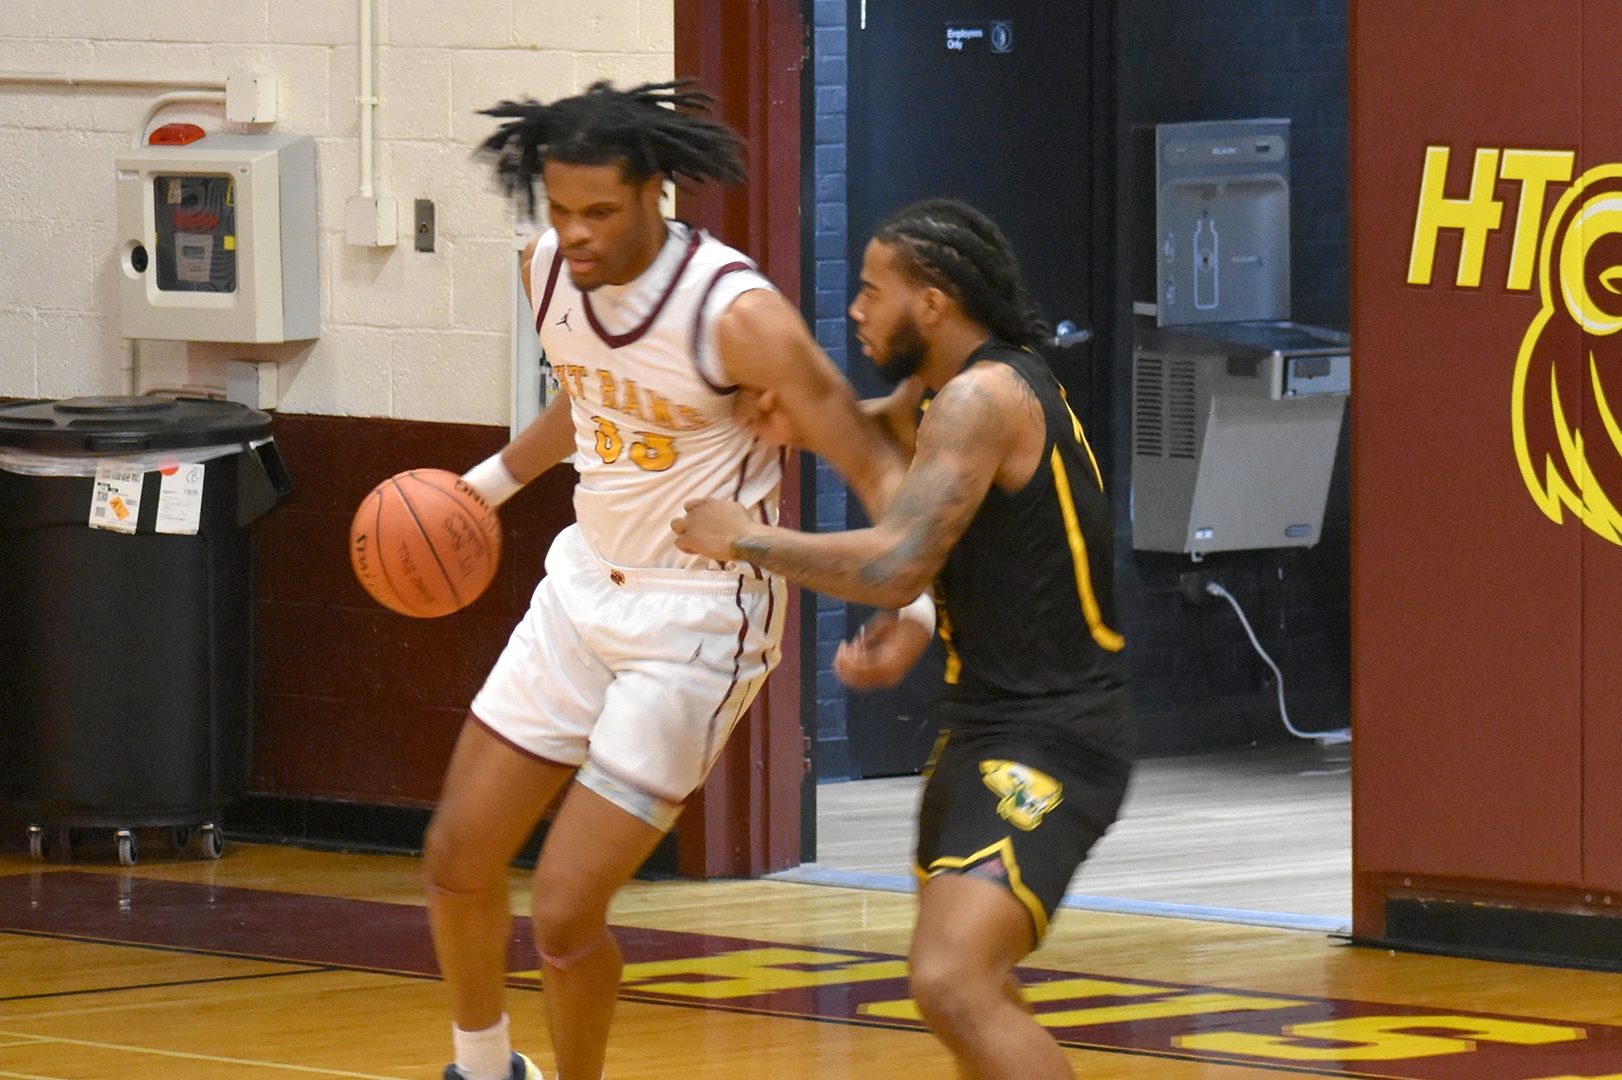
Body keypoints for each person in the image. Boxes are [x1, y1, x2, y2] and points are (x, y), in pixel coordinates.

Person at [422, 81, 904, 1080]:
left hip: (696, 621)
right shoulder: (547, 269)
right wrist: (487, 486)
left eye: (600, 211)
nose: (577, 233)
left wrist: (917, 596)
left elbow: (869, 460)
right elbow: (590, 397)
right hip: (579, 589)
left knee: (563, 913)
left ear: (656, 193)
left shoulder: (737, 315)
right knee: (457, 858)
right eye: (562, 208)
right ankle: (483, 1069)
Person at [672, 197, 1133, 1080]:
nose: (855, 309)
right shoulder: (953, 391)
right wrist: (796, 418)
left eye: (871, 290)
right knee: (976, 993)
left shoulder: (982, 399)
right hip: (984, 725)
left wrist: (745, 539)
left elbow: (894, 566)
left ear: (933, 301)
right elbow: (881, 425)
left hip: (1056, 736)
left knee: (952, 982)